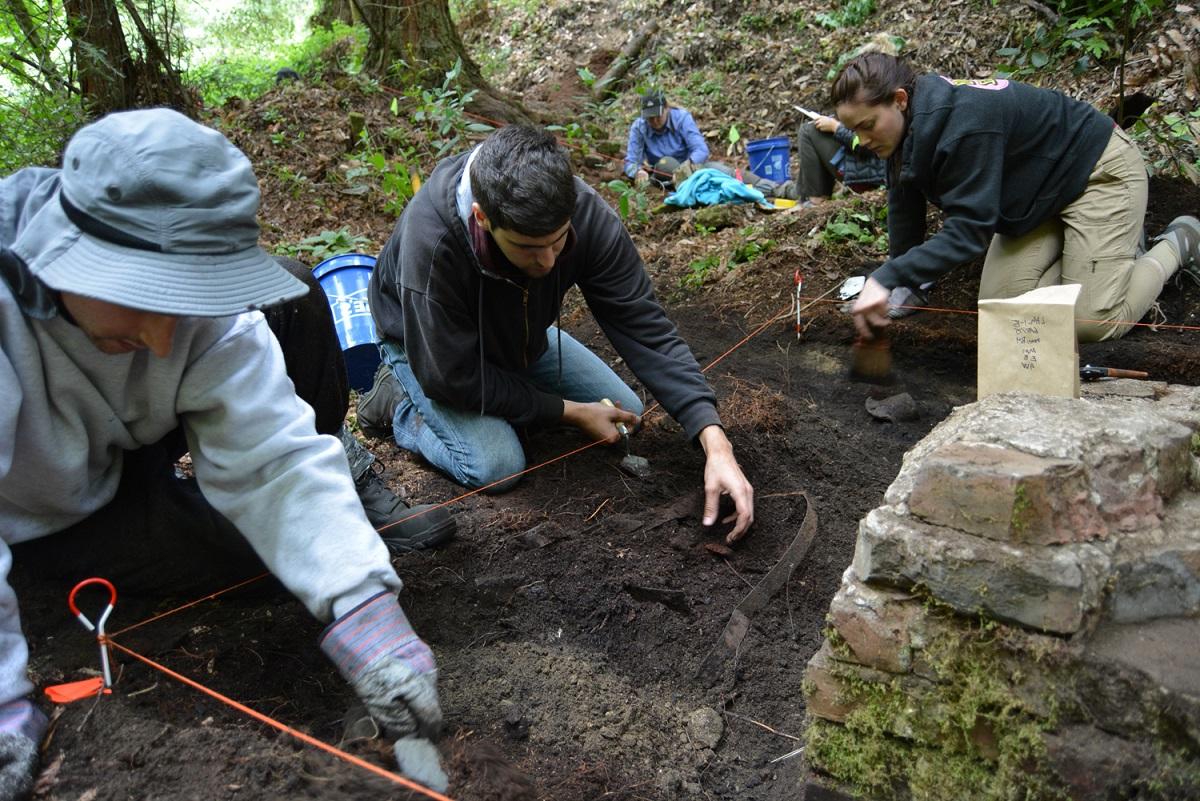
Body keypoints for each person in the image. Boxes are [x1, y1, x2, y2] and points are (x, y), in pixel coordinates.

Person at [0, 109, 454, 796]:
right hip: (41, 513)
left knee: (288, 562)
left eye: (181, 303)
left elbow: (273, 456)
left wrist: (365, 612)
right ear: (71, 250)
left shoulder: (204, 318)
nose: (160, 341)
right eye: (141, 297)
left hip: (122, 464)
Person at [362, 125, 754, 541]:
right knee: (497, 466)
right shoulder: (434, 241)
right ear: (483, 218)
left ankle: (515, 383)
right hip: (430, 350)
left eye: (559, 240)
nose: (548, 261)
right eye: (529, 248)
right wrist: (567, 410)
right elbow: (452, 377)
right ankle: (399, 402)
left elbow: (644, 325)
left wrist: (714, 441)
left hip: (518, 335)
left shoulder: (581, 210)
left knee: (622, 408)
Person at [832, 52, 1200, 342]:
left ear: (899, 99)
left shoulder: (963, 125)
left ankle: (1176, 245)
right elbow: (904, 203)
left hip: (1098, 172)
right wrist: (902, 281)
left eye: (867, 125)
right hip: (1037, 198)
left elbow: (971, 231)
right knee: (1004, 310)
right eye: (853, 130)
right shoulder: (904, 127)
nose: (862, 140)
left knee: (1091, 321)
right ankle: (1104, 260)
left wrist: (885, 276)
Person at [623, 91, 798, 199]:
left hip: (694, 168)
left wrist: (686, 168)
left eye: (657, 116)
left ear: (666, 108)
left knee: (726, 173)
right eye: (649, 117)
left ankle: (781, 189)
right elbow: (631, 161)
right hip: (664, 176)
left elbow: (700, 149)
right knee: (666, 163)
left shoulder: (681, 118)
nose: (654, 121)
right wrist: (637, 171)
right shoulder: (639, 127)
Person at [794, 111, 886, 203]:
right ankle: (809, 197)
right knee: (814, 128)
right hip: (874, 170)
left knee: (808, 130)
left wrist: (836, 127)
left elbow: (863, 145)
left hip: (872, 175)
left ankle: (816, 198)